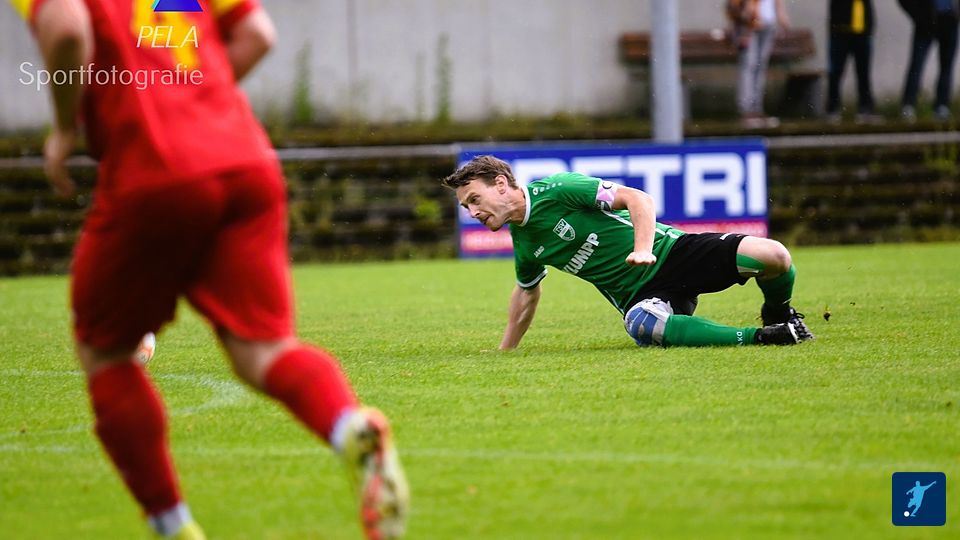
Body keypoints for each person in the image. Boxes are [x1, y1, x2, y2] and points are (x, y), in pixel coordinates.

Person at [10, 0, 409, 538]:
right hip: (245, 161)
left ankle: (173, 526)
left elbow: (65, 30)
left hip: (154, 171)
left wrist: (64, 128)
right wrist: (191, 101)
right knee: (264, 350)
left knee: (105, 352)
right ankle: (349, 426)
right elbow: (258, 34)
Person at [442, 156, 814, 350]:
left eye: (474, 199)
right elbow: (526, 292)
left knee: (774, 256)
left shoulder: (558, 188)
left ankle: (779, 313)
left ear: (501, 184)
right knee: (641, 323)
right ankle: (762, 337)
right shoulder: (523, 242)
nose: (472, 212)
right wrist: (506, 351)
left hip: (673, 252)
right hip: (642, 295)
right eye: (466, 207)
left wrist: (642, 250)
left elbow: (638, 199)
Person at [727, 0, 791, 128]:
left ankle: (757, 109)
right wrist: (743, 22)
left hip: (768, 21)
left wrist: (780, 13)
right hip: (749, 22)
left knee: (760, 67)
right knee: (749, 65)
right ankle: (746, 110)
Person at [898, 0, 960, 121]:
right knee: (917, 64)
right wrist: (918, 15)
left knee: (947, 65)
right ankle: (908, 105)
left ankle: (942, 106)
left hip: (950, 20)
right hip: (926, 22)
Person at [826, 0, 879, 123]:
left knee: (863, 72)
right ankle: (832, 108)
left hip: (862, 31)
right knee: (836, 72)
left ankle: (865, 108)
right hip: (840, 30)